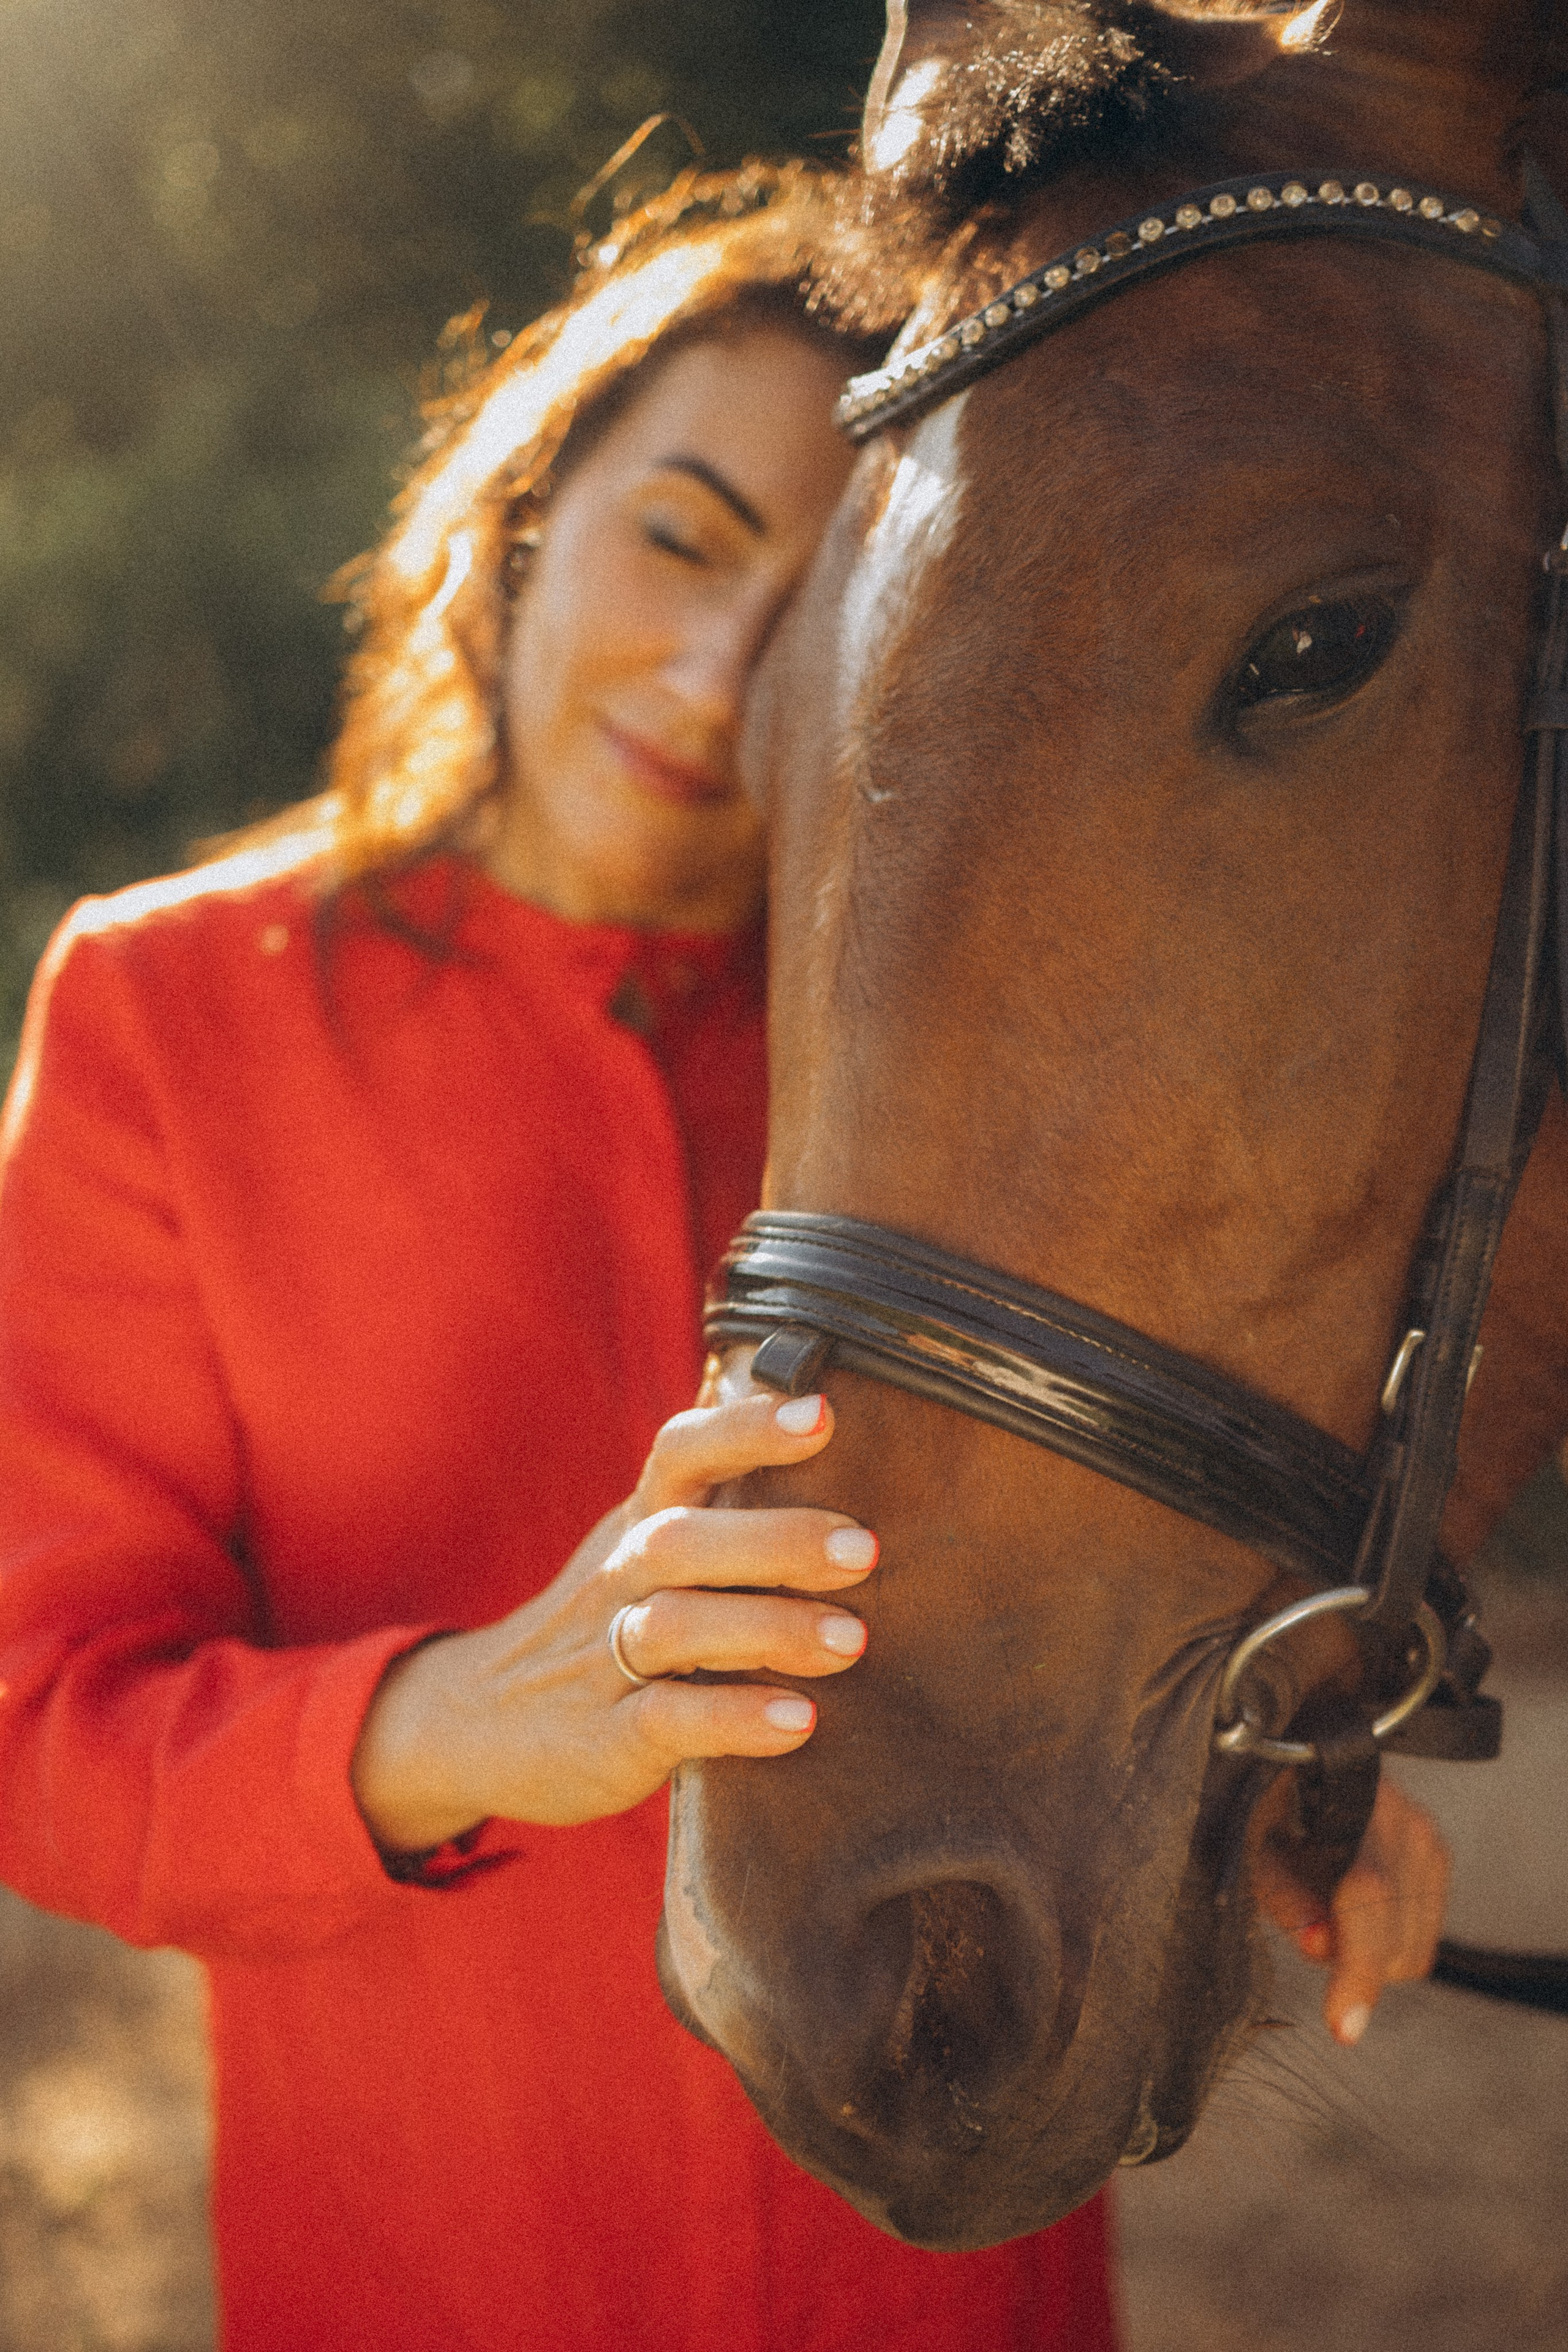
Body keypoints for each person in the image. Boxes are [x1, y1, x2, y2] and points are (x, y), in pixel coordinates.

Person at [0, 160, 1447, 2351]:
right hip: (428, 2268)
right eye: (679, 536)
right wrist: (467, 1716)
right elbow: (41, 1731)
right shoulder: (167, 1012)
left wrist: (1257, 1793)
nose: (712, 675)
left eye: (836, 606)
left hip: (946, 2273)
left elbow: (1088, 1582)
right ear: (521, 505)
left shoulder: (1014, 1031)